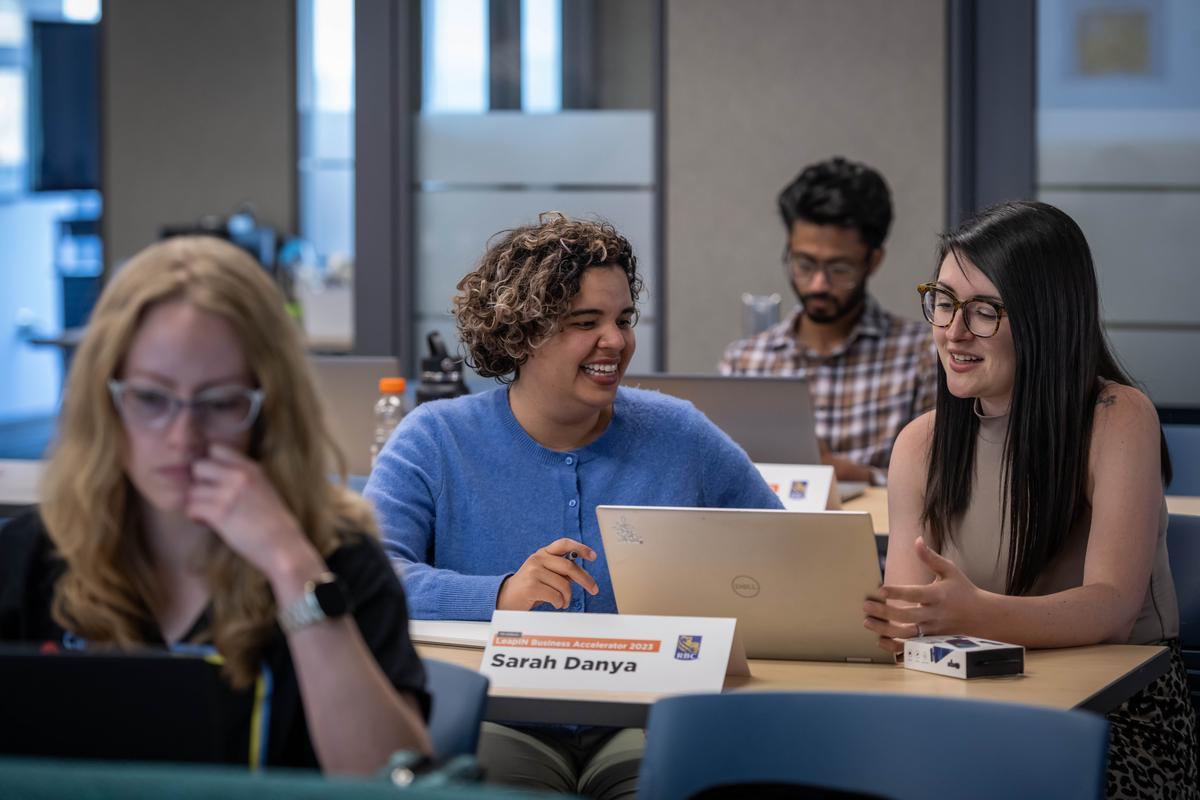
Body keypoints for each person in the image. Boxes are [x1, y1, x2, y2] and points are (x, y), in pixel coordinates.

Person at [365, 212, 781, 798]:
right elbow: (372, 578)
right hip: (504, 717)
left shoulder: (679, 433)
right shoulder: (435, 438)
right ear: (520, 335)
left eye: (623, 320)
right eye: (586, 322)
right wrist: (500, 595)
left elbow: (783, 557)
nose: (616, 341)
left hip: (645, 717)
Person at [0, 236, 431, 773]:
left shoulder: (338, 559)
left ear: (271, 411)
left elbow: (391, 780)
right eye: (151, 398)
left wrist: (289, 565)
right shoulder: (28, 557)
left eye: (222, 403)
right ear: (106, 402)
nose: (183, 438)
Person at [863, 201, 1196, 798]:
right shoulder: (920, 444)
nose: (954, 331)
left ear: (1047, 318)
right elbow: (909, 623)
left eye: (984, 311)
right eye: (944, 301)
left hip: (1116, 716)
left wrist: (972, 613)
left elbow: (1113, 610)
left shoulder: (1116, 417)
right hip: (970, 707)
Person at [720, 156, 937, 486]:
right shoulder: (745, 362)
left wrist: (861, 477)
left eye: (839, 269)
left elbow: (940, 483)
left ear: (873, 261)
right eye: (804, 264)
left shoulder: (922, 356)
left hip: (878, 520)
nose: (818, 284)